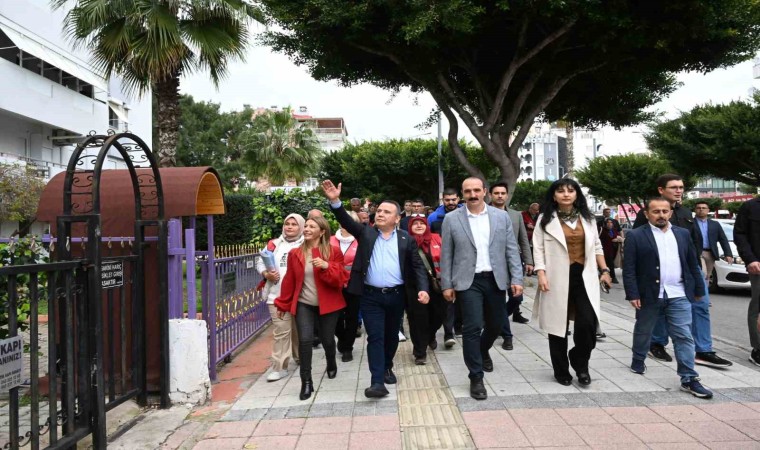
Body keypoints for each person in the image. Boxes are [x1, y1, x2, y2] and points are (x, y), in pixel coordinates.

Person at [321, 180, 429, 398]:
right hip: (371, 296)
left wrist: (423, 289)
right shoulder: (366, 234)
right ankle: (377, 381)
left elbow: (417, 266)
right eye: (379, 211)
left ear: (397, 218)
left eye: (386, 212)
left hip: (397, 295)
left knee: (391, 337)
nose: (380, 214)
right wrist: (335, 201)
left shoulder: (406, 239)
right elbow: (345, 220)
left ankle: (387, 365)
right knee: (376, 337)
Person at [633, 174, 732, 368]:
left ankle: (703, 350)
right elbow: (639, 244)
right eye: (674, 187)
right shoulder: (648, 213)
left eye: (681, 187)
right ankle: (657, 343)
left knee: (701, 306)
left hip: (689, 269)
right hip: (659, 272)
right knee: (661, 307)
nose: (679, 190)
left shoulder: (686, 211)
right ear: (661, 190)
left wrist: (696, 265)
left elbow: (694, 240)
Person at [440, 177, 523, 400]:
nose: (473, 194)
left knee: (496, 324)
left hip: (495, 279)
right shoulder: (451, 219)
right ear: (462, 194)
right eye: (468, 191)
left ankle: (482, 349)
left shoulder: (500, 217)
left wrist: (517, 278)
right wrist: (446, 284)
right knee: (472, 327)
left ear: (485, 191)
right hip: (468, 281)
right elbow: (446, 254)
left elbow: (511, 249)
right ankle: (476, 377)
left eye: (477, 190)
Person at [624, 198, 713, 399]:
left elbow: (692, 263)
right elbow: (629, 268)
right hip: (649, 294)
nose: (661, 215)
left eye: (665, 211)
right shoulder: (636, 236)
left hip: (678, 293)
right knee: (644, 330)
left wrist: (699, 289)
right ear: (647, 214)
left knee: (683, 336)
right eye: (656, 211)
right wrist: (633, 294)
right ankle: (638, 358)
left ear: (670, 213)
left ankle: (689, 378)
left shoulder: (682, 234)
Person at [532, 179, 611, 387]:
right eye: (561, 191)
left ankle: (579, 360)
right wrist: (541, 273)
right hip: (556, 277)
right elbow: (538, 248)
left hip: (584, 276)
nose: (566, 194)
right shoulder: (545, 219)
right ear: (554, 195)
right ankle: (561, 370)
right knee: (557, 326)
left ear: (577, 194)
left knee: (587, 324)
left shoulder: (588, 218)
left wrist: (605, 270)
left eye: (570, 190)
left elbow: (597, 246)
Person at [274, 216, 346, 400]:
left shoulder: (334, 251)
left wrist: (326, 266)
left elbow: (341, 279)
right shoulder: (295, 253)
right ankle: (306, 381)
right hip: (304, 304)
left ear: (322, 232)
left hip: (329, 304)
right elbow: (289, 280)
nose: (306, 229)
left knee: (327, 339)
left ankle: (331, 361)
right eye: (305, 226)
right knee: (305, 340)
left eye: (311, 227)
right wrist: (283, 304)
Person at [256, 213, 305, 382]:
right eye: (287, 223)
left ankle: (300, 358)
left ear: (301, 227)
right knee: (281, 332)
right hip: (276, 297)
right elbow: (260, 262)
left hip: (300, 297)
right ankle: (280, 367)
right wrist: (266, 274)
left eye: (294, 224)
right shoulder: (274, 244)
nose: (289, 227)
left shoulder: (306, 244)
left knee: (299, 331)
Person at [488, 182, 534, 350]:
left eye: (503, 193)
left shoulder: (516, 215)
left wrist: (529, 261)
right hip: (493, 263)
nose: (500, 196)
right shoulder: (484, 213)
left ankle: (496, 322)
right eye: (496, 193)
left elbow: (523, 239)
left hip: (513, 261)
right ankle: (507, 336)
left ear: (507, 195)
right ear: (490, 195)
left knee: (516, 298)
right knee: (499, 300)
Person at [406, 216, 446, 364]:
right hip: (413, 287)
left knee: (438, 315)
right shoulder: (406, 241)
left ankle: (430, 335)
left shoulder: (437, 239)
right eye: (415, 224)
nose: (418, 226)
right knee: (417, 319)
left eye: (421, 223)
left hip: (437, 285)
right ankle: (420, 352)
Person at [733, 195, 760, 366]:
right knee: (758, 307)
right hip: (758, 264)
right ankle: (758, 348)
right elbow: (740, 234)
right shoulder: (750, 206)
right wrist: (750, 259)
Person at [332, 211, 362, 362]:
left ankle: (347, 348)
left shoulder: (360, 240)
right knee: (336, 318)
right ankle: (342, 339)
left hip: (353, 285)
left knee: (352, 317)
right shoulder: (330, 240)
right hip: (333, 285)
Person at [693, 200, 733, 284]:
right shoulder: (690, 223)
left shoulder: (714, 224)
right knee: (702, 274)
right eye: (698, 208)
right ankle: (701, 291)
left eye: (703, 208)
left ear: (708, 210)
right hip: (697, 253)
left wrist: (728, 254)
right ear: (695, 210)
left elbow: (723, 239)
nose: (701, 210)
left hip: (710, 253)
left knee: (707, 276)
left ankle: (704, 292)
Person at [599, 218, 623, 284]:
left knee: (610, 264)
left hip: (613, 250)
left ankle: (607, 276)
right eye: (608, 222)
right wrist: (611, 240)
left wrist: (617, 239)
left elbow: (616, 236)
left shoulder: (614, 230)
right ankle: (613, 277)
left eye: (611, 222)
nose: (610, 224)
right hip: (605, 250)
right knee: (610, 264)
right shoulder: (602, 230)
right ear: (605, 224)